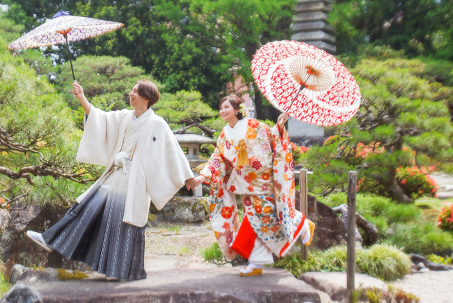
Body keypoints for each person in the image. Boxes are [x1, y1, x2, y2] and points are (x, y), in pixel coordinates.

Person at [27, 79, 197, 280]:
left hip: (134, 181)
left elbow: (171, 151)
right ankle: (51, 239)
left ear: (146, 98)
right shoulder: (125, 116)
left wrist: (188, 177)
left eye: (135, 91)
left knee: (122, 225)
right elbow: (99, 118)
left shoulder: (157, 123)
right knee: (86, 208)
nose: (131, 93)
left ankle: (122, 272)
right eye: (132, 89)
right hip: (115, 174)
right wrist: (81, 97)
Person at [192, 96, 314, 276]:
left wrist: (280, 125)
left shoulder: (255, 126)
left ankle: (300, 224)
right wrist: (203, 176)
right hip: (244, 184)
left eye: (226, 107)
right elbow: (218, 158)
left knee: (266, 217)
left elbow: (273, 137)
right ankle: (257, 262)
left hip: (263, 180)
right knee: (256, 222)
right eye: (221, 108)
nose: (222, 111)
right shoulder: (225, 134)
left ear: (237, 109)